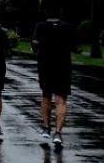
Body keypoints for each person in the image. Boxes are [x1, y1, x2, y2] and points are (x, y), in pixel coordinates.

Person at [32, 14, 77, 147]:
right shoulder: (68, 27)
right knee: (61, 99)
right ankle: (58, 132)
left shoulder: (40, 26)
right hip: (63, 67)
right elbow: (76, 47)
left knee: (46, 96)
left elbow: (34, 43)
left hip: (45, 66)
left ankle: (46, 127)